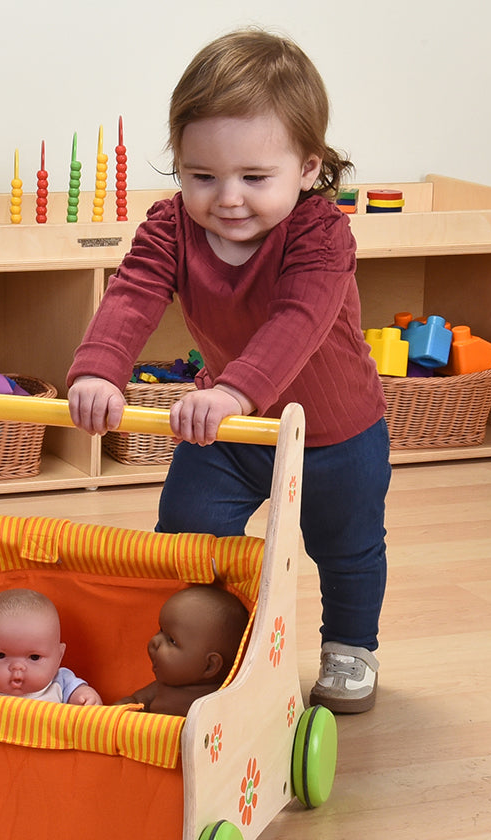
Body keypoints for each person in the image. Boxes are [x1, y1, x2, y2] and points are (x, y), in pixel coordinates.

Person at [67, 28, 390, 714]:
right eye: (202, 177)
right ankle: (211, 644)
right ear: (179, 166)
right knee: (187, 530)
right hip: (232, 431)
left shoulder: (321, 234)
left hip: (336, 434)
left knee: (347, 547)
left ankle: (351, 646)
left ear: (307, 168)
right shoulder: (169, 229)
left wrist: (237, 389)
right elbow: (132, 294)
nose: (228, 199)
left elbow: (296, 322)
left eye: (254, 177)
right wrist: (98, 370)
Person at [0, 588, 102, 705]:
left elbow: (82, 695)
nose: (17, 668)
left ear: (59, 657)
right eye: (0, 655)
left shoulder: (62, 683)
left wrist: (86, 698)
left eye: (34, 657)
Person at [116, 585, 250, 716]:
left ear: (210, 666)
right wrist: (122, 707)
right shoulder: (160, 687)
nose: (155, 641)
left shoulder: (216, 703)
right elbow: (135, 701)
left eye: (172, 641)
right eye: (161, 630)